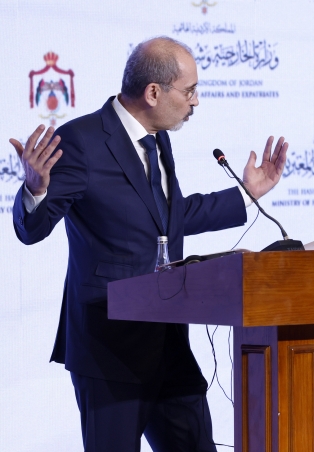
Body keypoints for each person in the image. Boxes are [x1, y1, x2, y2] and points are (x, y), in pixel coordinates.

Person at [10, 36, 288, 452]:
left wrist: (247, 193)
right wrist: (34, 191)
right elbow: (32, 230)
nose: (196, 102)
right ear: (153, 92)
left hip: (169, 346)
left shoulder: (158, 138)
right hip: (110, 353)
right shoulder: (81, 142)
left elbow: (169, 220)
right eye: (190, 91)